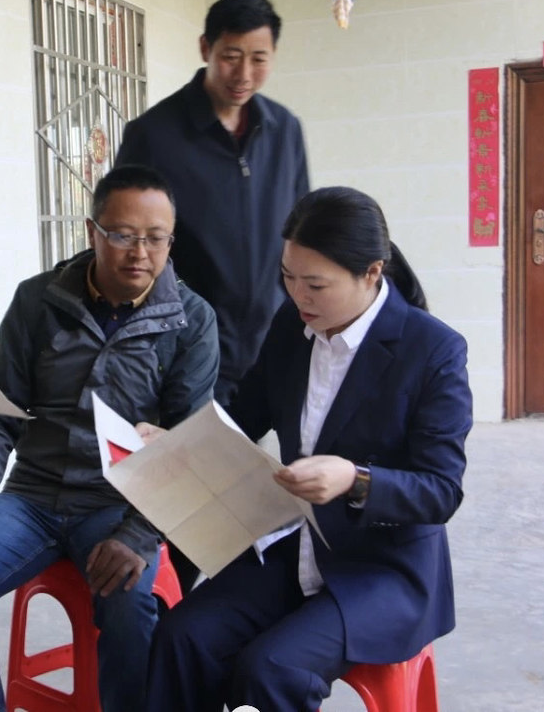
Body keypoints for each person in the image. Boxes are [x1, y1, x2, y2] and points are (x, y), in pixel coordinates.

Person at [143, 186, 473, 712]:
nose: (299, 296)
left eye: (315, 284)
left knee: (272, 668)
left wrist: (355, 479)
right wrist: (180, 442)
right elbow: (244, 415)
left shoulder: (432, 350)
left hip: (383, 569)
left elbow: (440, 490)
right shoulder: (292, 327)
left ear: (371, 272)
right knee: (184, 637)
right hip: (301, 545)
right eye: (288, 277)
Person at [0, 165, 219, 712]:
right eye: (122, 235)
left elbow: (186, 446)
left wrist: (138, 534)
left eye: (156, 239)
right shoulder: (38, 301)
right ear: (91, 231)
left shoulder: (191, 321)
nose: (140, 253)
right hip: (31, 499)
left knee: (130, 602)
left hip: (119, 504)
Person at [114, 0, 309, 406]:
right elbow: (124, 242)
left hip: (268, 348)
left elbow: (302, 232)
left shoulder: (284, 130)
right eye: (231, 56)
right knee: (189, 448)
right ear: (206, 48)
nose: (244, 74)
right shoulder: (153, 135)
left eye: (259, 59)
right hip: (185, 349)